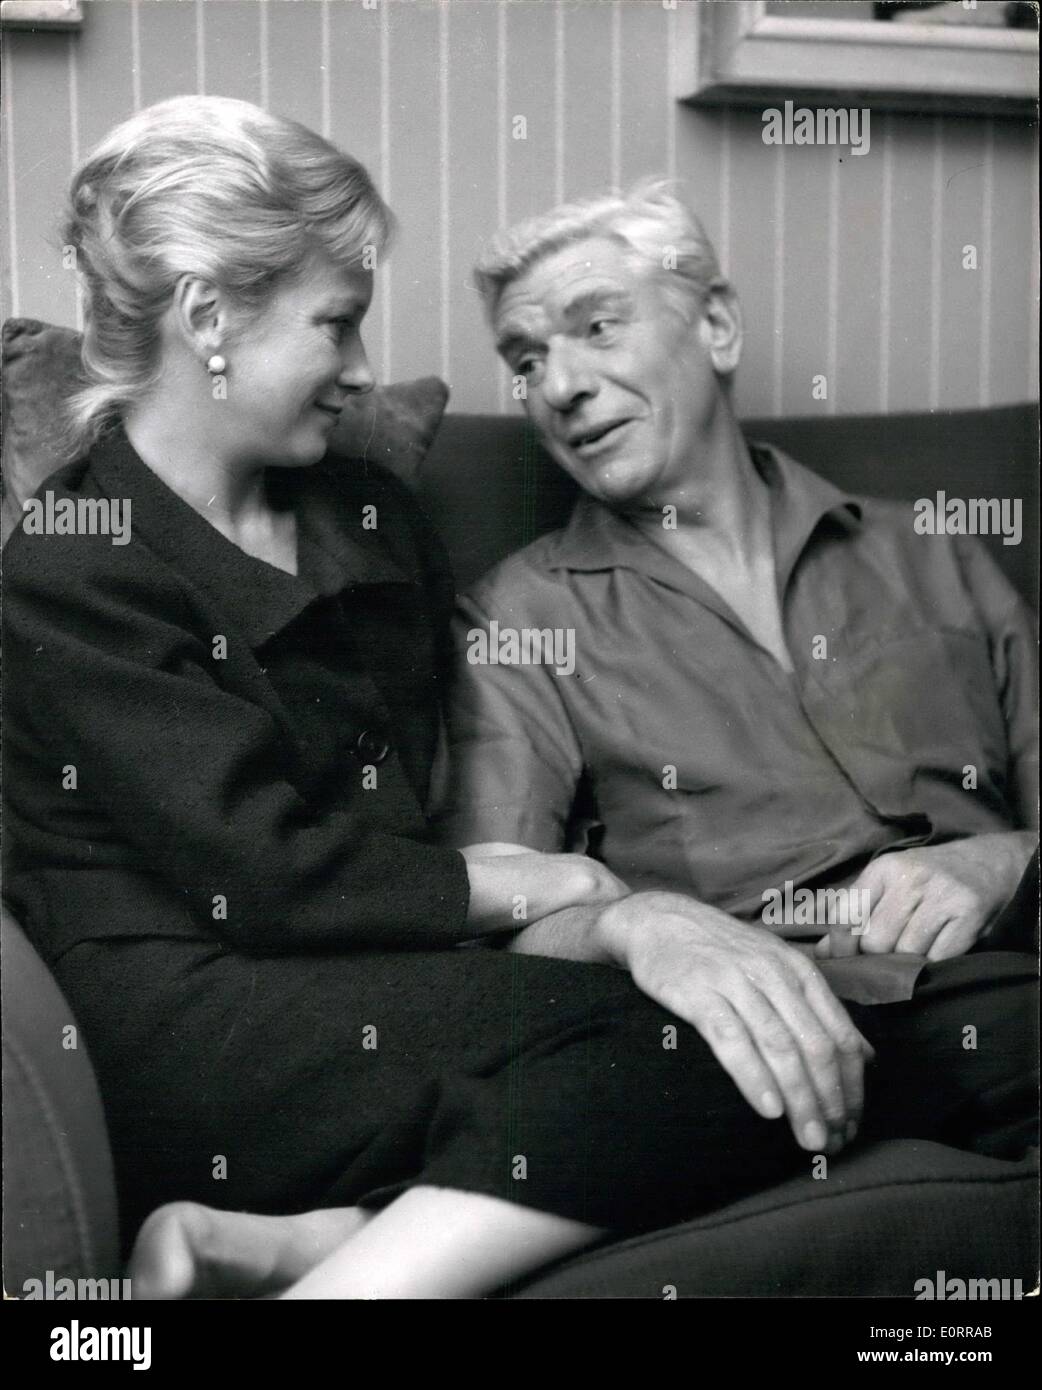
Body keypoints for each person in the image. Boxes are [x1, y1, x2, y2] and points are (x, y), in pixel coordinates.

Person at [8, 102, 1031, 1301]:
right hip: (191, 1011)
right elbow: (271, 872)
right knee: (722, 1041)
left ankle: (307, 1246)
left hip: (372, 973)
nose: (358, 369)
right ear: (208, 317)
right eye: (335, 325)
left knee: (766, 1027)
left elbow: (402, 829)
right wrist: (567, 888)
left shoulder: (359, 511)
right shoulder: (75, 562)